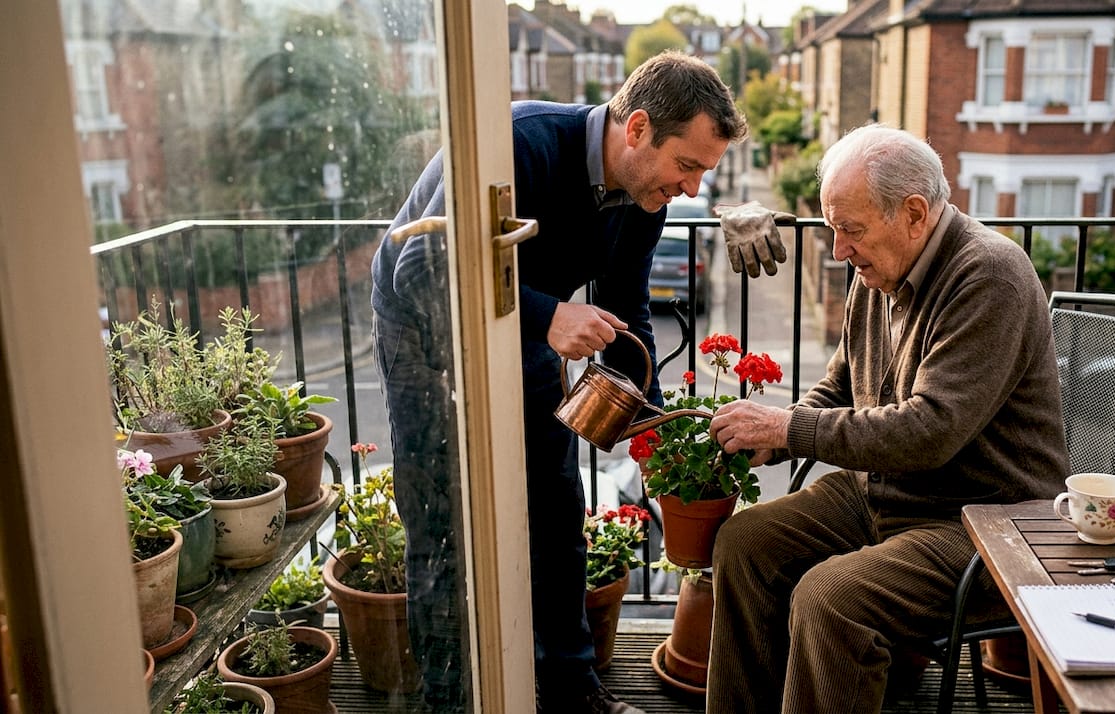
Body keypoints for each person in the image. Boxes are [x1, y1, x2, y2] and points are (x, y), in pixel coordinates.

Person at [371, 50, 754, 714]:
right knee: (443, 528)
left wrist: (652, 428)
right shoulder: (516, 145)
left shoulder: (644, 196)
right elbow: (419, 273)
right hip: (422, 336)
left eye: (703, 172)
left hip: (518, 331)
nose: (692, 189)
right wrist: (549, 315)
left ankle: (575, 691)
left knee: (554, 507)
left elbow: (628, 311)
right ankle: (447, 701)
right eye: (687, 166)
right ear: (635, 129)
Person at [703, 123, 1069, 713]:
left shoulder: (990, 275)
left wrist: (787, 429)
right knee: (745, 543)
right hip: (889, 493)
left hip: (981, 520)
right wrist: (779, 434)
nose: (840, 251)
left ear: (915, 213)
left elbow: (930, 430)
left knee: (830, 598)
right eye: (833, 230)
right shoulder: (881, 266)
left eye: (851, 230)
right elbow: (842, 381)